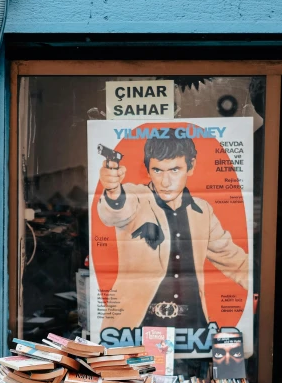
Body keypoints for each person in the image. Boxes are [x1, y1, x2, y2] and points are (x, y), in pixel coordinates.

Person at [97, 129, 248, 331]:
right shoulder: (137, 197)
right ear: (148, 170)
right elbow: (114, 212)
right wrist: (114, 191)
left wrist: (266, 286)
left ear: (191, 166)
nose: (165, 182)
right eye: (158, 170)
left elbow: (233, 259)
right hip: (137, 328)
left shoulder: (203, 211)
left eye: (174, 170)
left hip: (193, 327)